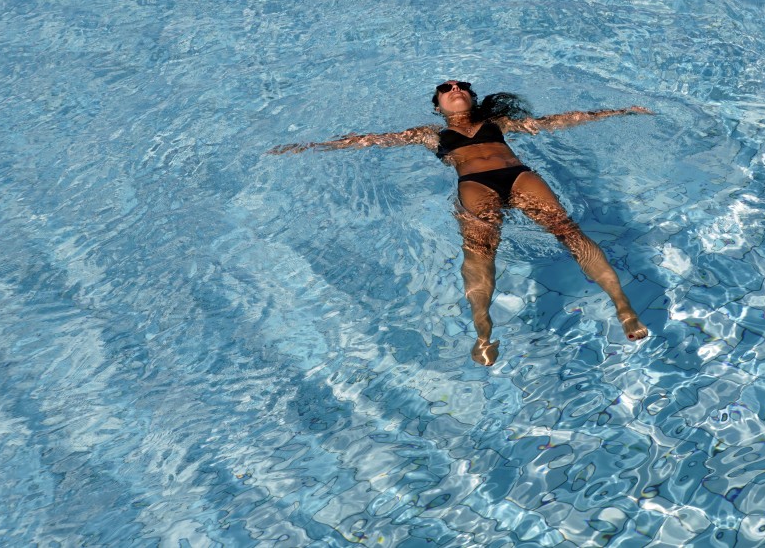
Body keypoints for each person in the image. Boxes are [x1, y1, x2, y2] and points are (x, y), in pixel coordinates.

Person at [268, 80, 651, 366]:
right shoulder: (430, 134)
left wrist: (620, 112)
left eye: (462, 86)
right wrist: (309, 146)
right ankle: (483, 330)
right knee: (481, 254)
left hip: (519, 175)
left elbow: (558, 121)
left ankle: (622, 305)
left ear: (470, 95)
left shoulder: (499, 123)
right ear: (438, 105)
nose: (455, 89)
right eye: (446, 88)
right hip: (474, 186)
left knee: (570, 233)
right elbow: (368, 140)